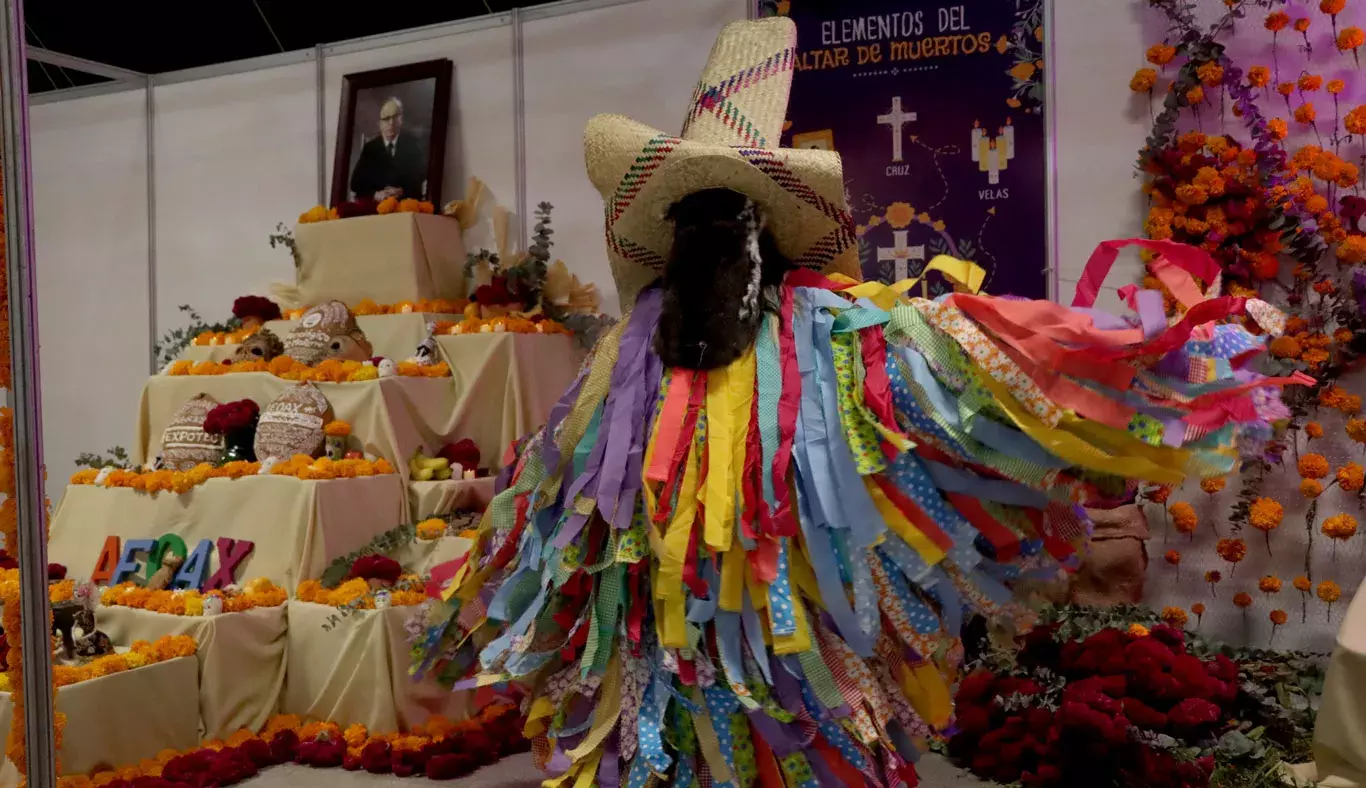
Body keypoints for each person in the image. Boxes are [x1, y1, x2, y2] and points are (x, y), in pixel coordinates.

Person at [410, 17, 1297, 786]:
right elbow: (563, 502)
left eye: (730, 224)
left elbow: (981, 367)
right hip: (668, 668)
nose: (715, 256)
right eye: (700, 226)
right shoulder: (623, 367)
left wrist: (1155, 362)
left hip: (802, 668)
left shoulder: (841, 339)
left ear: (764, 235)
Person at [348, 96, 427, 201]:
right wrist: (376, 194)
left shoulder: (413, 144)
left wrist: (402, 190)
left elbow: (421, 176)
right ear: (379, 124)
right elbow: (355, 184)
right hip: (378, 209)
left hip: (406, 206)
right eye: (386, 119)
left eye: (395, 117)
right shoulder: (370, 149)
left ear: (401, 119)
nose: (391, 123)